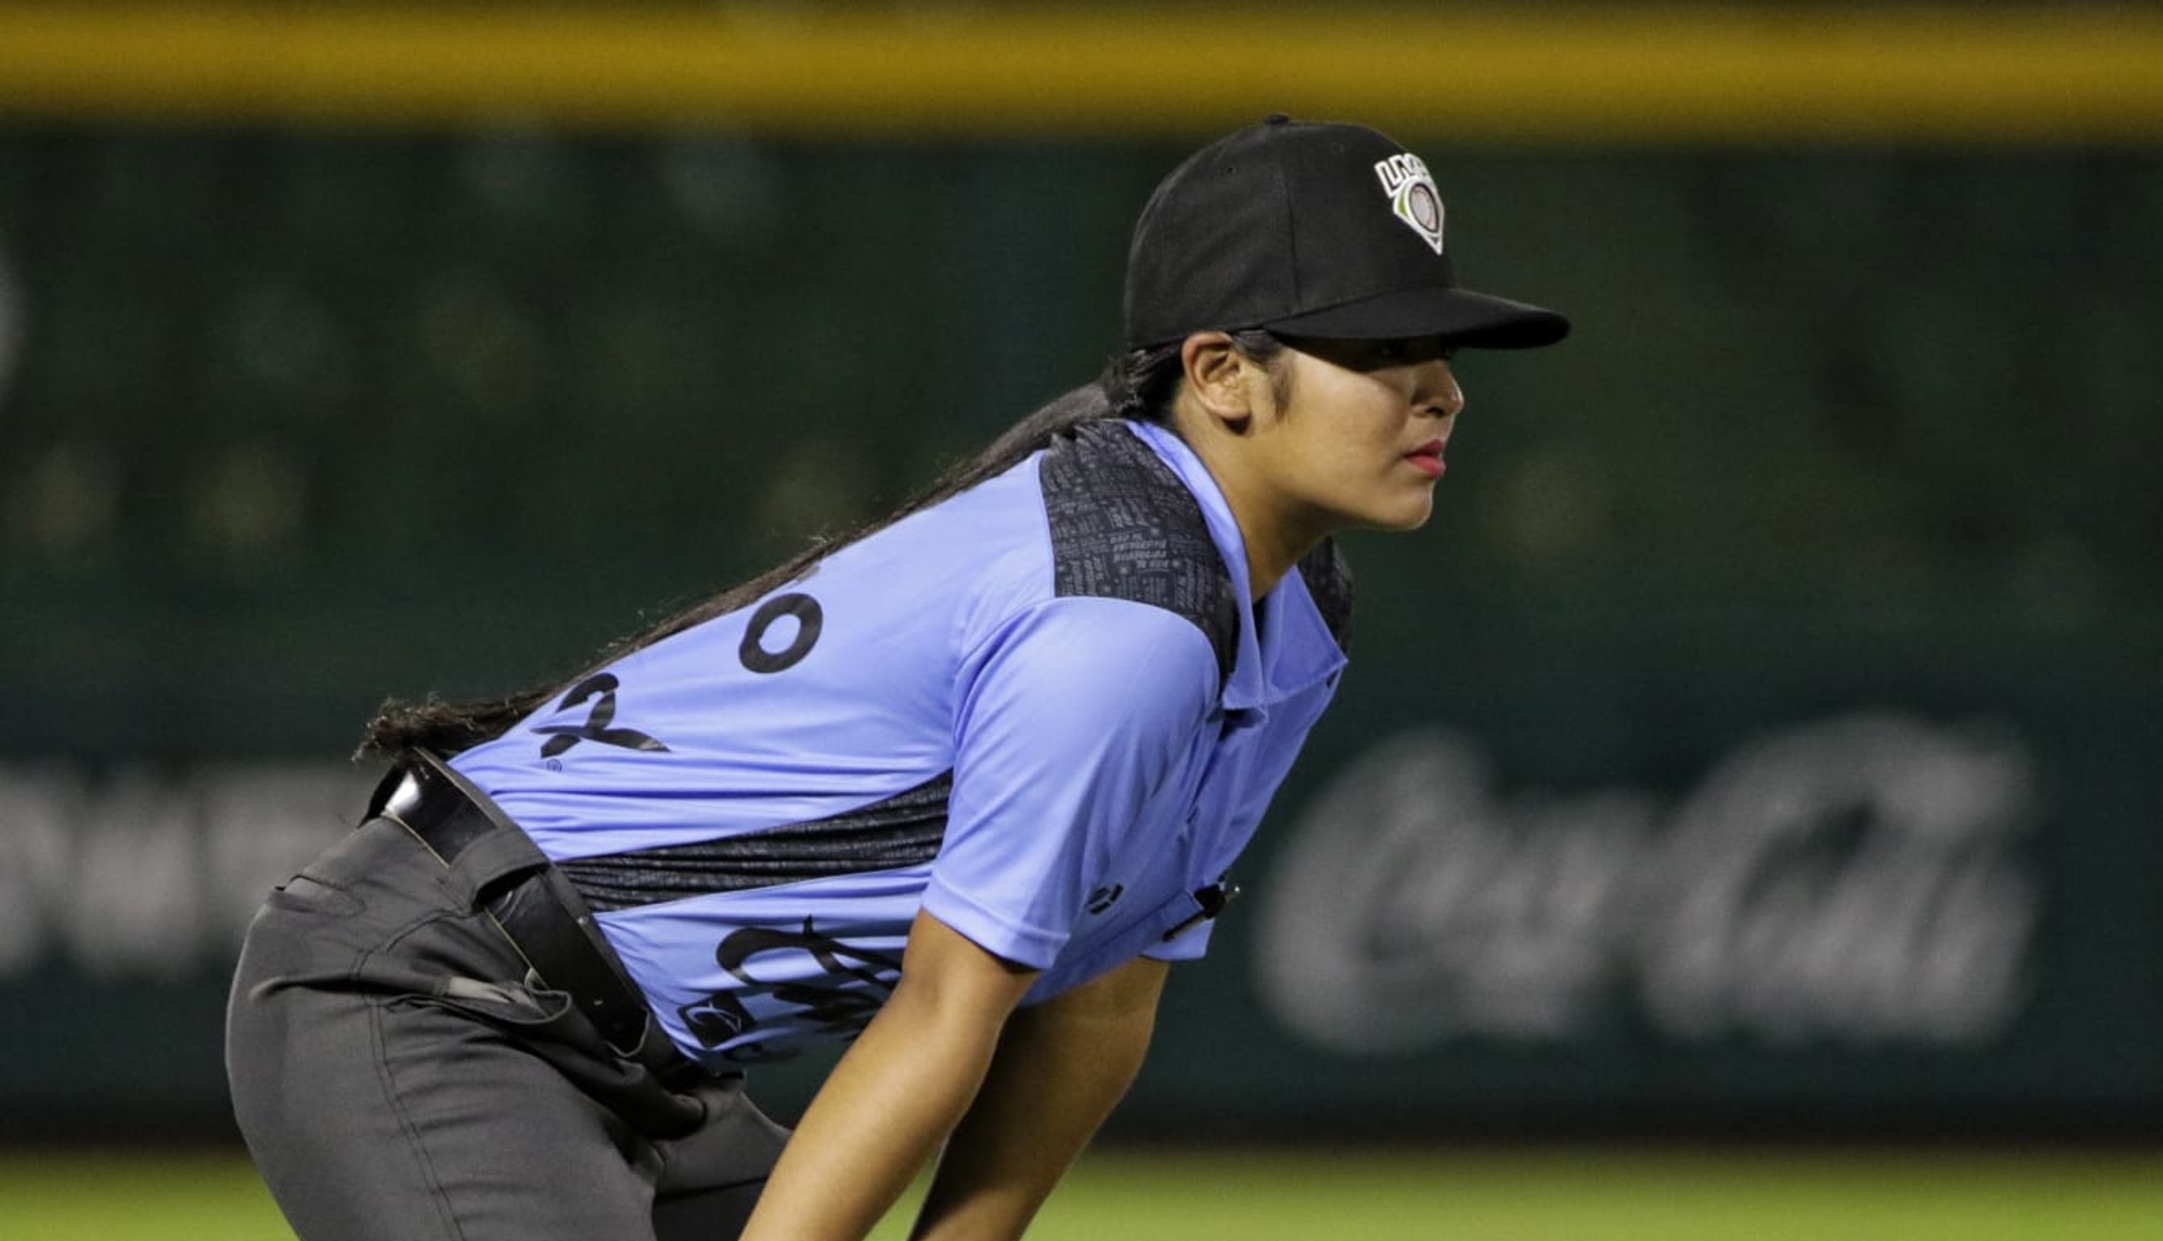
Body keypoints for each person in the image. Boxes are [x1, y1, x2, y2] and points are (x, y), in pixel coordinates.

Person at [226, 114, 1568, 1241]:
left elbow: (1103, 993)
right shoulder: (1126, 620)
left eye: (1440, 348)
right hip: (437, 998)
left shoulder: (1289, 602)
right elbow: (943, 1011)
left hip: (650, 1069)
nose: (1440, 390)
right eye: (1379, 350)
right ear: (1221, 373)